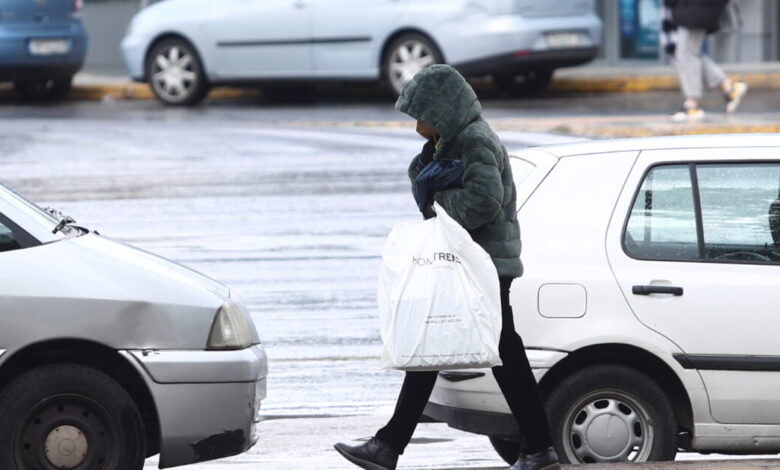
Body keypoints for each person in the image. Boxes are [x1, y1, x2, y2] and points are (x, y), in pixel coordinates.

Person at [334, 65, 560, 470]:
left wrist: (437, 200)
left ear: (441, 111)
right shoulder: (451, 141)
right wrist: (427, 173)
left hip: (484, 265)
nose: (417, 124)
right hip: (473, 262)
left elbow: (483, 201)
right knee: (459, 347)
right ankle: (536, 448)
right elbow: (434, 186)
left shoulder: (474, 140)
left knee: (482, 350)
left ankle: (390, 446)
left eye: (422, 115)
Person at [662, 0, 747, 122]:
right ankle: (728, 88)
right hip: (695, 8)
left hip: (695, 8)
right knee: (688, 53)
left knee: (686, 54)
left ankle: (692, 104)